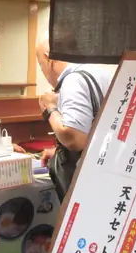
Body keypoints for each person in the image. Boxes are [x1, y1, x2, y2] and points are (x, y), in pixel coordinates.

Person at [35, 39, 114, 201]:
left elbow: (75, 138)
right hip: (110, 169)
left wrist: (50, 109)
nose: (42, 70)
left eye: (40, 64)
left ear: (48, 58)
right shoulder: (102, 72)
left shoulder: (74, 80)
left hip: (88, 182)